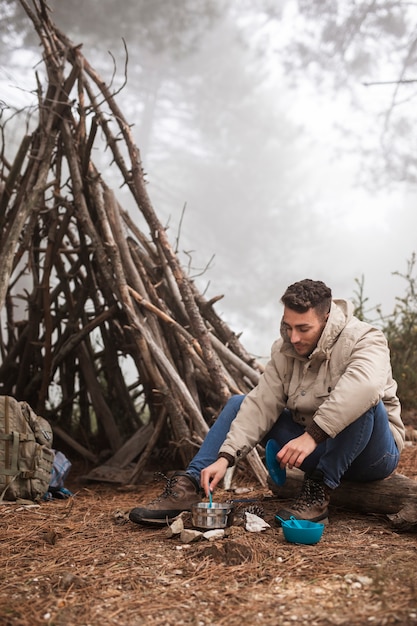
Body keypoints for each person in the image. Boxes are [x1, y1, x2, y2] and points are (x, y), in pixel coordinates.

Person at [129, 279, 405, 526]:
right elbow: (262, 404)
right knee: (241, 402)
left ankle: (318, 493)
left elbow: (365, 386)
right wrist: (226, 457)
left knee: (366, 400)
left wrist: (313, 435)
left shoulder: (366, 338)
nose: (293, 337)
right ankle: (190, 485)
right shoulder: (285, 348)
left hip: (372, 454)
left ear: (327, 318)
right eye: (288, 326)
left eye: (303, 328)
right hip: (317, 449)